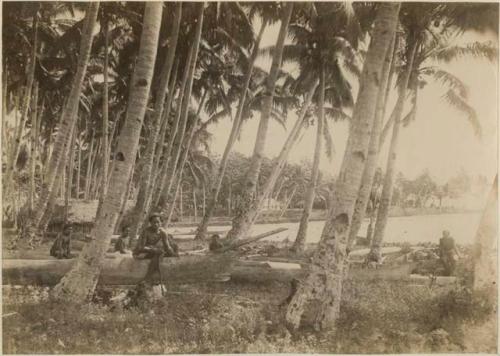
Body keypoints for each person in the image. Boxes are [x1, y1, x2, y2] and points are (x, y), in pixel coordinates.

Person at [133, 214, 177, 284]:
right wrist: (153, 250)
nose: (156, 224)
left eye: (158, 222)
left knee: (165, 250)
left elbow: (167, 246)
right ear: (150, 223)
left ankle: (152, 277)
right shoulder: (146, 231)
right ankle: (147, 277)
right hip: (141, 252)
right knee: (158, 252)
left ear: (161, 223)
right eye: (154, 222)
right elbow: (141, 247)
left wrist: (173, 254)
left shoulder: (163, 232)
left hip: (152, 252)